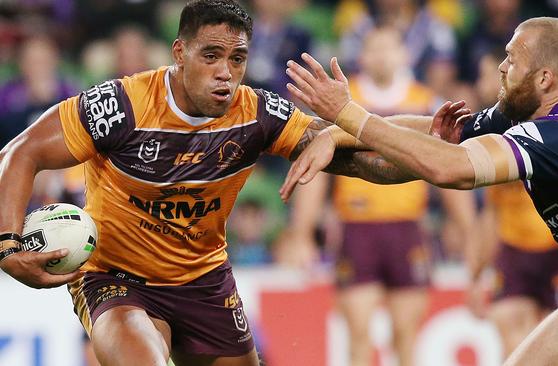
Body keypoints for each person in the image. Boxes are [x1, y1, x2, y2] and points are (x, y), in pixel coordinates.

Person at [0, 1, 437, 365]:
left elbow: (369, 161)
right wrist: (6, 246)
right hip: (116, 276)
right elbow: (21, 152)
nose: (226, 72)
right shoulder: (122, 106)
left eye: (237, 59)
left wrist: (435, 144)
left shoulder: (258, 114)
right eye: (210, 55)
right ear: (179, 52)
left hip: (204, 280)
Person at [281, 16, 558, 365]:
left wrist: (347, 115)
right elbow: (437, 136)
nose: (501, 68)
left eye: (511, 58)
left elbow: (449, 168)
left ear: (544, 79)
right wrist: (335, 132)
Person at [282, 26, 478, 366]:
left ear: (405, 55)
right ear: (362, 56)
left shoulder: (426, 103)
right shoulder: (344, 100)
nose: (382, 56)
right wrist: (301, 233)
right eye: (374, 49)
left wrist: (467, 230)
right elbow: (320, 167)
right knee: (358, 335)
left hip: (407, 229)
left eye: (389, 48)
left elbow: (448, 162)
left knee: (406, 336)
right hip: (357, 229)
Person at [466, 50, 558, 360]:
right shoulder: (485, 131)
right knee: (511, 339)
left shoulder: (555, 122)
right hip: (514, 250)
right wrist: (476, 274)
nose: (483, 83)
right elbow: (491, 210)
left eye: (492, 75)